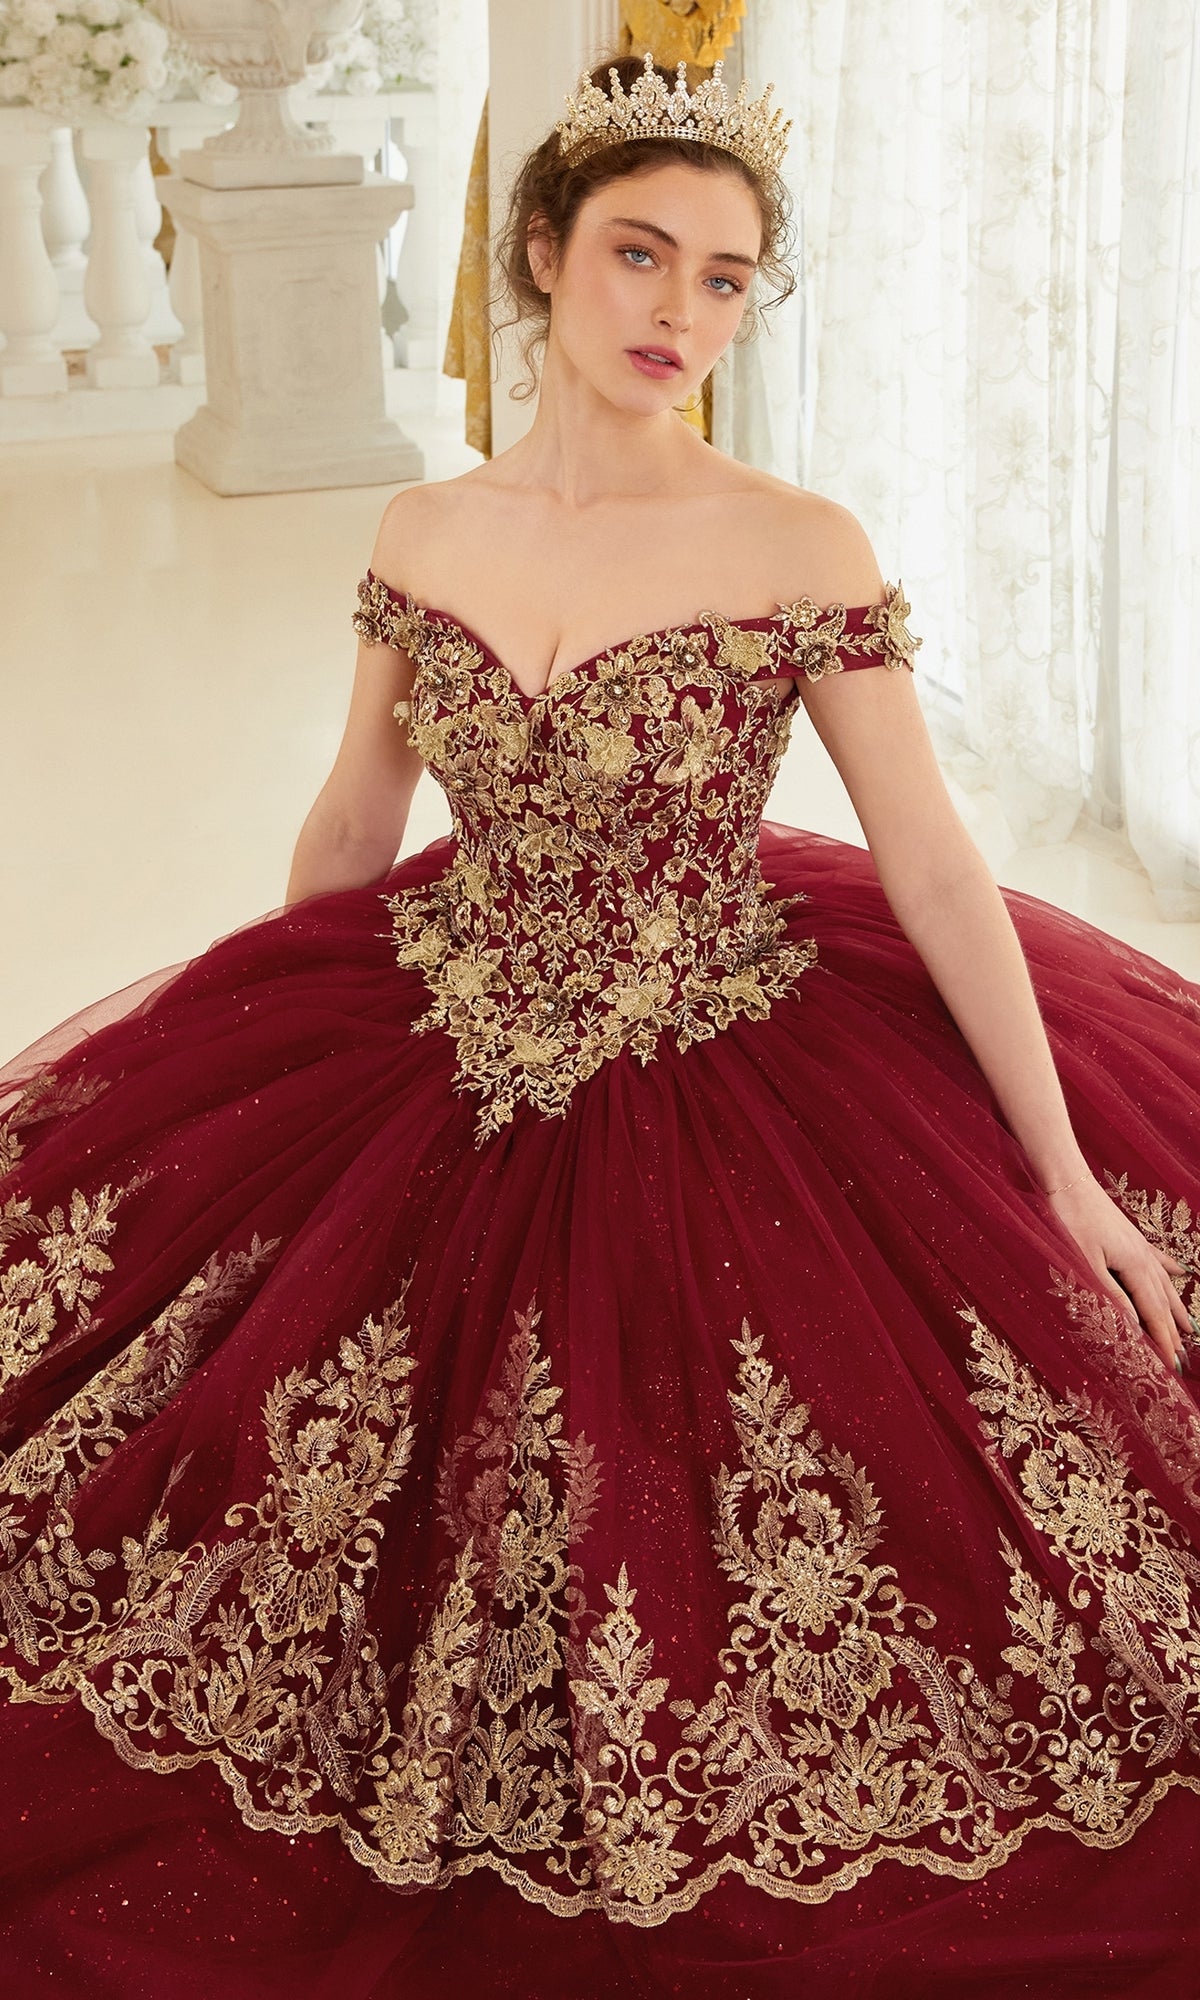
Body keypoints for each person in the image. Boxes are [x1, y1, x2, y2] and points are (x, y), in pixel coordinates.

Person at [1, 46, 1199, 2000]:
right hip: (453, 1008)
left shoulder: (793, 539)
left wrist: (1061, 1170)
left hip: (735, 1031)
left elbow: (936, 867)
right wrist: (266, 1104)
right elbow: (359, 816)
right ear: (545, 251)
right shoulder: (428, 526)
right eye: (641, 255)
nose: (679, 314)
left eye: (726, 278)